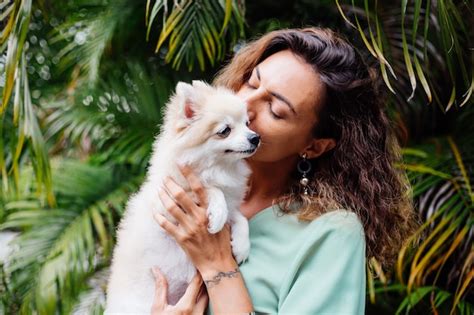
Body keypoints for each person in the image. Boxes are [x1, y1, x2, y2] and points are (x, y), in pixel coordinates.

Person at [149, 27, 416, 314]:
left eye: (275, 110)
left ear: (314, 146)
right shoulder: (185, 190)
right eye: (251, 83)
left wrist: (218, 266)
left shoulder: (330, 233)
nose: (245, 105)